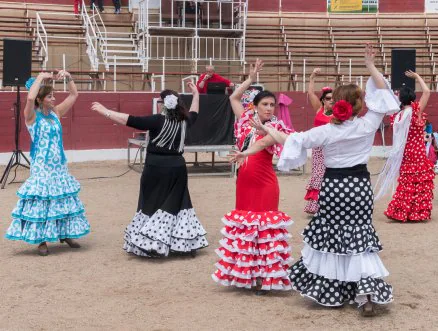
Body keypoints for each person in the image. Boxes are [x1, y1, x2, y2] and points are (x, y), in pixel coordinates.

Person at [233, 45, 395, 316]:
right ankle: (366, 294)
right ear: (357, 105)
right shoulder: (367, 125)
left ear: (336, 105)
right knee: (359, 237)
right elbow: (384, 97)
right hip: (359, 187)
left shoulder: (325, 132)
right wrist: (370, 65)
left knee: (331, 236)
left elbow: (292, 140)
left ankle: (333, 288)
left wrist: (267, 128)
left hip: (332, 188)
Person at [90, 84, 208, 257]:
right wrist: (196, 94)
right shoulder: (185, 121)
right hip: (177, 167)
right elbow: (195, 112)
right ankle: (180, 243)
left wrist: (105, 111)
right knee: (178, 204)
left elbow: (128, 120)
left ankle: (152, 242)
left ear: (163, 104)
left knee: (152, 203)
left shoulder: (157, 120)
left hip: (155, 167)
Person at [211, 59, 293, 294]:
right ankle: (247, 275)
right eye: (265, 104)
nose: (269, 108)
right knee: (246, 228)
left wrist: (244, 152)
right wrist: (250, 78)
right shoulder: (246, 121)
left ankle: (264, 278)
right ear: (255, 106)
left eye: (272, 105)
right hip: (244, 181)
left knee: (264, 230)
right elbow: (233, 98)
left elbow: (267, 142)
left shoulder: (276, 126)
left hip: (265, 182)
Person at [5, 71, 90, 256]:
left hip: (59, 166)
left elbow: (74, 95)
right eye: (50, 96)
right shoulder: (31, 117)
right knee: (43, 202)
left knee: (62, 199)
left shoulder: (56, 113)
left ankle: (65, 234)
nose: (54, 98)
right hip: (42, 167)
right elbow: (29, 98)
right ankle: (41, 240)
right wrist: (40, 78)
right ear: (41, 99)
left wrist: (68, 77)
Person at [382, 71, 435, 222]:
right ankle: (417, 212)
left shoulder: (398, 115)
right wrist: (418, 76)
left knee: (406, 182)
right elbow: (427, 91)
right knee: (419, 181)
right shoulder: (415, 111)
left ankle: (401, 211)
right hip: (417, 150)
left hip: (405, 151)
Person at [303, 68, 333, 215]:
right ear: (323, 100)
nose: (330, 101)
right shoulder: (319, 110)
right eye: (328, 98)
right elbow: (310, 93)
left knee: (330, 175)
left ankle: (329, 206)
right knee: (318, 174)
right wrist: (312, 77)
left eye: (333, 98)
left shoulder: (339, 114)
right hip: (318, 148)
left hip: (331, 148)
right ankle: (316, 207)